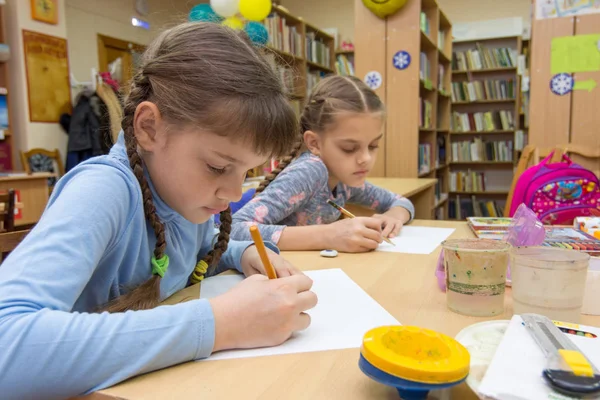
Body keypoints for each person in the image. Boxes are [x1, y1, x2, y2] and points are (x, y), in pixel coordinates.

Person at [0, 23, 317, 399]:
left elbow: (199, 251)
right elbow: (8, 345)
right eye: (218, 166)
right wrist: (219, 324)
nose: (234, 193)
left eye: (247, 171)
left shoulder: (179, 194)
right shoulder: (103, 190)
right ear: (149, 127)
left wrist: (243, 252)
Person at [231, 76, 415, 253]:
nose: (365, 158)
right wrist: (328, 235)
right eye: (349, 148)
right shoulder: (310, 171)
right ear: (314, 143)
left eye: (373, 146)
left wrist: (392, 217)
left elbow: (400, 202)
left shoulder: (345, 180)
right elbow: (234, 230)